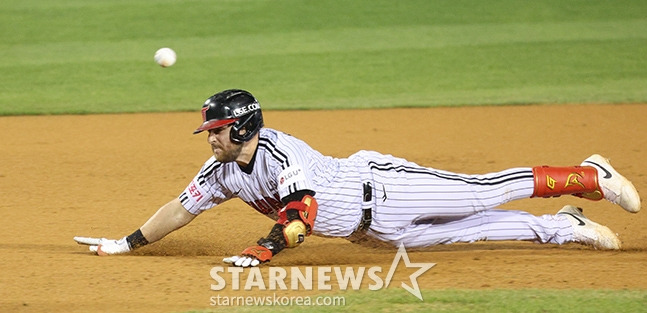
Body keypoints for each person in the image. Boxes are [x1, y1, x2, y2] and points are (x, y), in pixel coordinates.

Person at [75, 89, 642, 267]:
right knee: (478, 229)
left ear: (243, 127)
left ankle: (587, 174)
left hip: (384, 185)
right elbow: (182, 208)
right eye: (209, 131)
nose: (211, 138)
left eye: (218, 130)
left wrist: (266, 249)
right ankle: (566, 229)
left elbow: (301, 213)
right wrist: (126, 243)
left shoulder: (280, 150)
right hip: (372, 233)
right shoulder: (219, 170)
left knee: (481, 191)